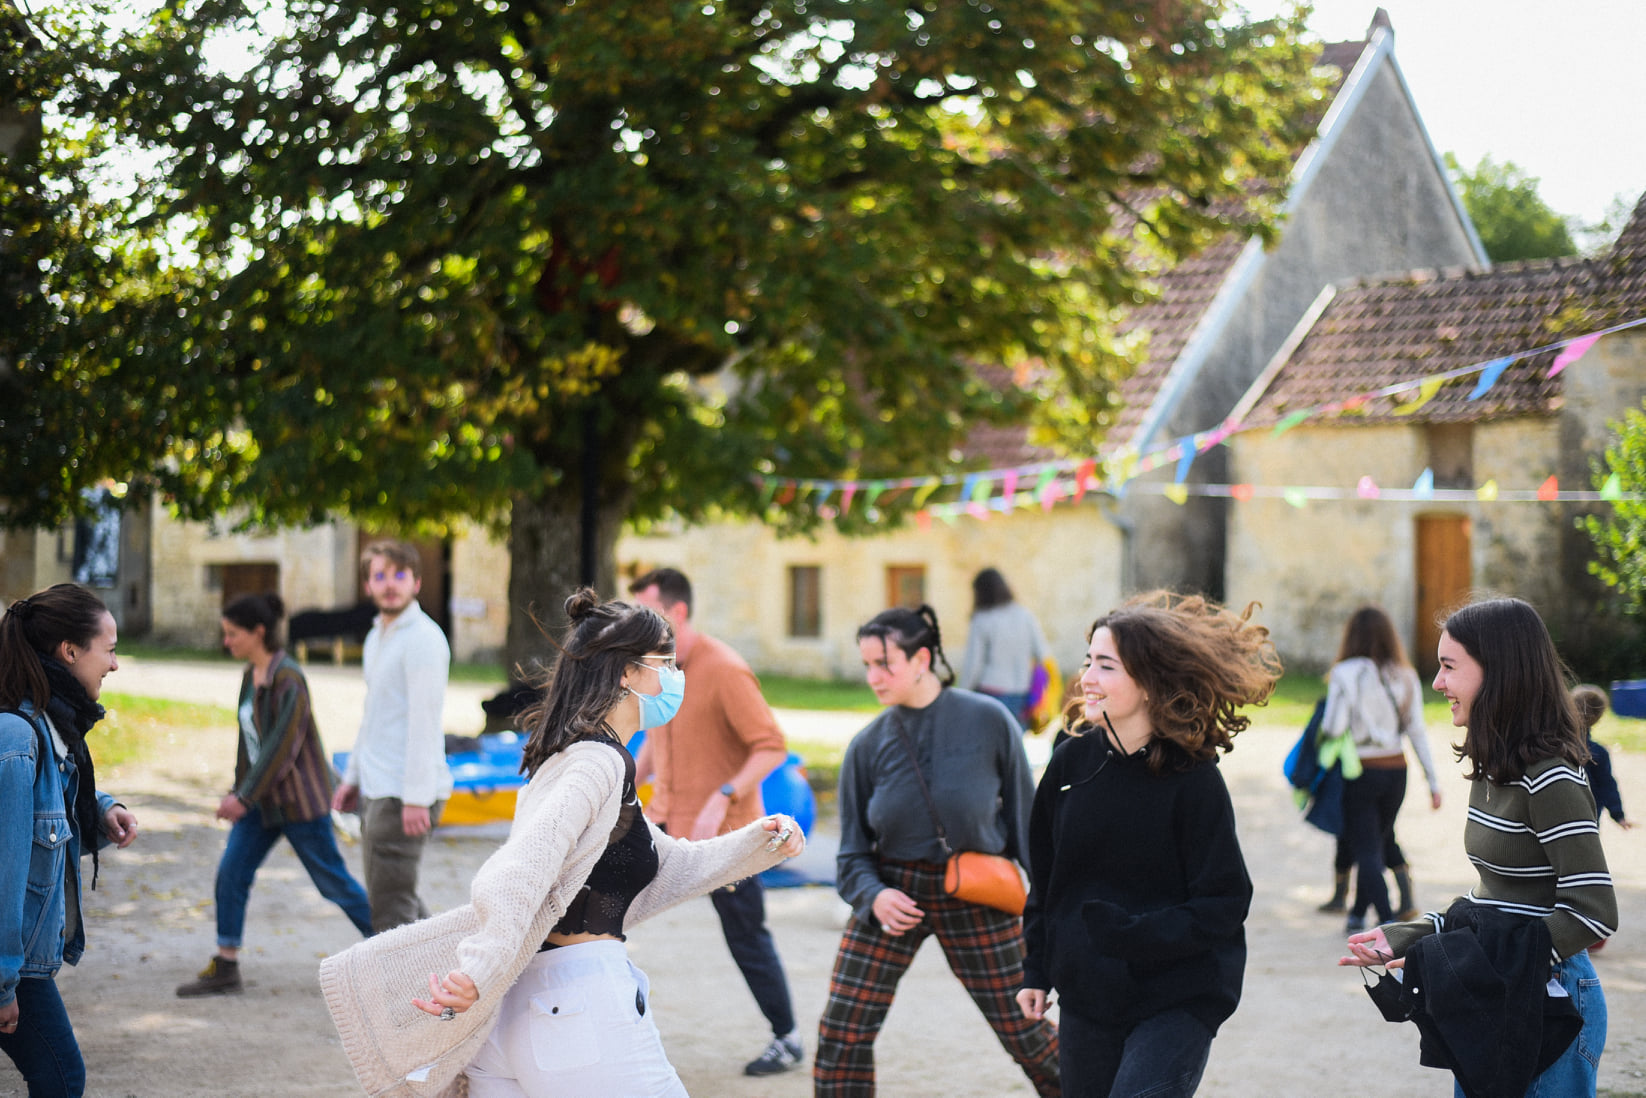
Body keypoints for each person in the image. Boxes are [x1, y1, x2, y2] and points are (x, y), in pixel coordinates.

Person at [317, 589, 804, 1097]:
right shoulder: (597, 764)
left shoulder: (583, 758)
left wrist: (760, 843)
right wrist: (481, 967)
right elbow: (522, 867)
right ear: (627, 673)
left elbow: (668, 867)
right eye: (666, 662)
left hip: (523, 1012)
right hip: (574, 1005)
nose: (676, 676)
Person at [1341, 597, 1617, 1097]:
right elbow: (1497, 899)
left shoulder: (1550, 776)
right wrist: (1412, 935)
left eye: (1449, 667)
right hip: (1505, 996)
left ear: (1500, 672)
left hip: (1552, 1006)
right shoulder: (1495, 765)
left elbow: (1593, 911)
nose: (1437, 683)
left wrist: (1479, 960)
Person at [1018, 590, 1279, 1098]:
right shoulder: (1069, 762)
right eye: (1088, 661)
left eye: (1106, 666)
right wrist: (1037, 969)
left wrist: (1134, 934)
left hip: (1178, 994)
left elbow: (1225, 902)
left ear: (1149, 682)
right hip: (1088, 995)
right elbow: (1047, 881)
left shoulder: (1193, 778)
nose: (1086, 679)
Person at [816, 604, 1060, 1097]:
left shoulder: (989, 720)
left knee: (1028, 1030)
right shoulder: (866, 746)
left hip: (977, 889)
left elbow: (1030, 828)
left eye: (885, 664)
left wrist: (1052, 915)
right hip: (892, 894)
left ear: (922, 659)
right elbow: (851, 854)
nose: (873, 677)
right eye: (867, 665)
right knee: (842, 1031)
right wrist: (873, 896)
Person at [626, 567, 803, 1077]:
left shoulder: (725, 669)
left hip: (727, 838)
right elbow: (656, 744)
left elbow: (772, 746)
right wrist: (616, 783)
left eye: (648, 614)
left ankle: (787, 1038)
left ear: (677, 612)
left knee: (746, 936)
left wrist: (724, 795)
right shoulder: (658, 669)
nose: (638, 626)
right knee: (606, 917)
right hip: (664, 823)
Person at [175, 592, 373, 997]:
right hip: (260, 802)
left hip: (299, 803)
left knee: (334, 884)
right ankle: (226, 965)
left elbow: (281, 748)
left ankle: (396, 946)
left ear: (258, 632)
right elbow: (248, 743)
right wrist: (239, 789)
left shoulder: (289, 679)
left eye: (233, 633)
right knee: (232, 873)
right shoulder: (251, 674)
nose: (226, 641)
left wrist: (243, 798)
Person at [0, 584, 139, 1096]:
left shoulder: (46, 728)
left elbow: (48, 803)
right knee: (61, 1078)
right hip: (13, 965)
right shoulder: (18, 738)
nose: (115, 664)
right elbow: (5, 876)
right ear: (70, 651)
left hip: (19, 964)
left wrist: (102, 810)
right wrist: (3, 982)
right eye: (110, 649)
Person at [331, 539, 452, 933]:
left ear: (416, 582)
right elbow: (374, 716)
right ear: (367, 584)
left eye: (400, 575)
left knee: (391, 912)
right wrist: (352, 777)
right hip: (378, 785)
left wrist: (416, 798)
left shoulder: (423, 639)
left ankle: (422, 976)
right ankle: (452, 966)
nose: (389, 584)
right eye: (380, 575)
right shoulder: (376, 636)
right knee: (397, 900)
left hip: (403, 792)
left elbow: (423, 722)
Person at [1322, 606, 1443, 933]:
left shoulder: (1345, 672)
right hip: (1396, 771)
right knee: (1376, 842)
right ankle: (1357, 913)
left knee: (1367, 849)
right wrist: (1433, 782)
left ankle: (1387, 921)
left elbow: (1333, 727)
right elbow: (1417, 731)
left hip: (1361, 771)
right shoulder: (1405, 674)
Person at [959, 567, 1050, 729]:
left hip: (990, 693)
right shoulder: (1025, 615)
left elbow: (973, 665)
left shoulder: (982, 619)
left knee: (989, 742)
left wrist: (961, 695)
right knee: (1016, 741)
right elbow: (1043, 654)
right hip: (1022, 693)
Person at [1573, 684, 1633, 831]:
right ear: (1599, 718)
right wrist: (1618, 814)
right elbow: (1607, 784)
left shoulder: (1554, 746)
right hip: (1589, 819)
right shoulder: (1598, 752)